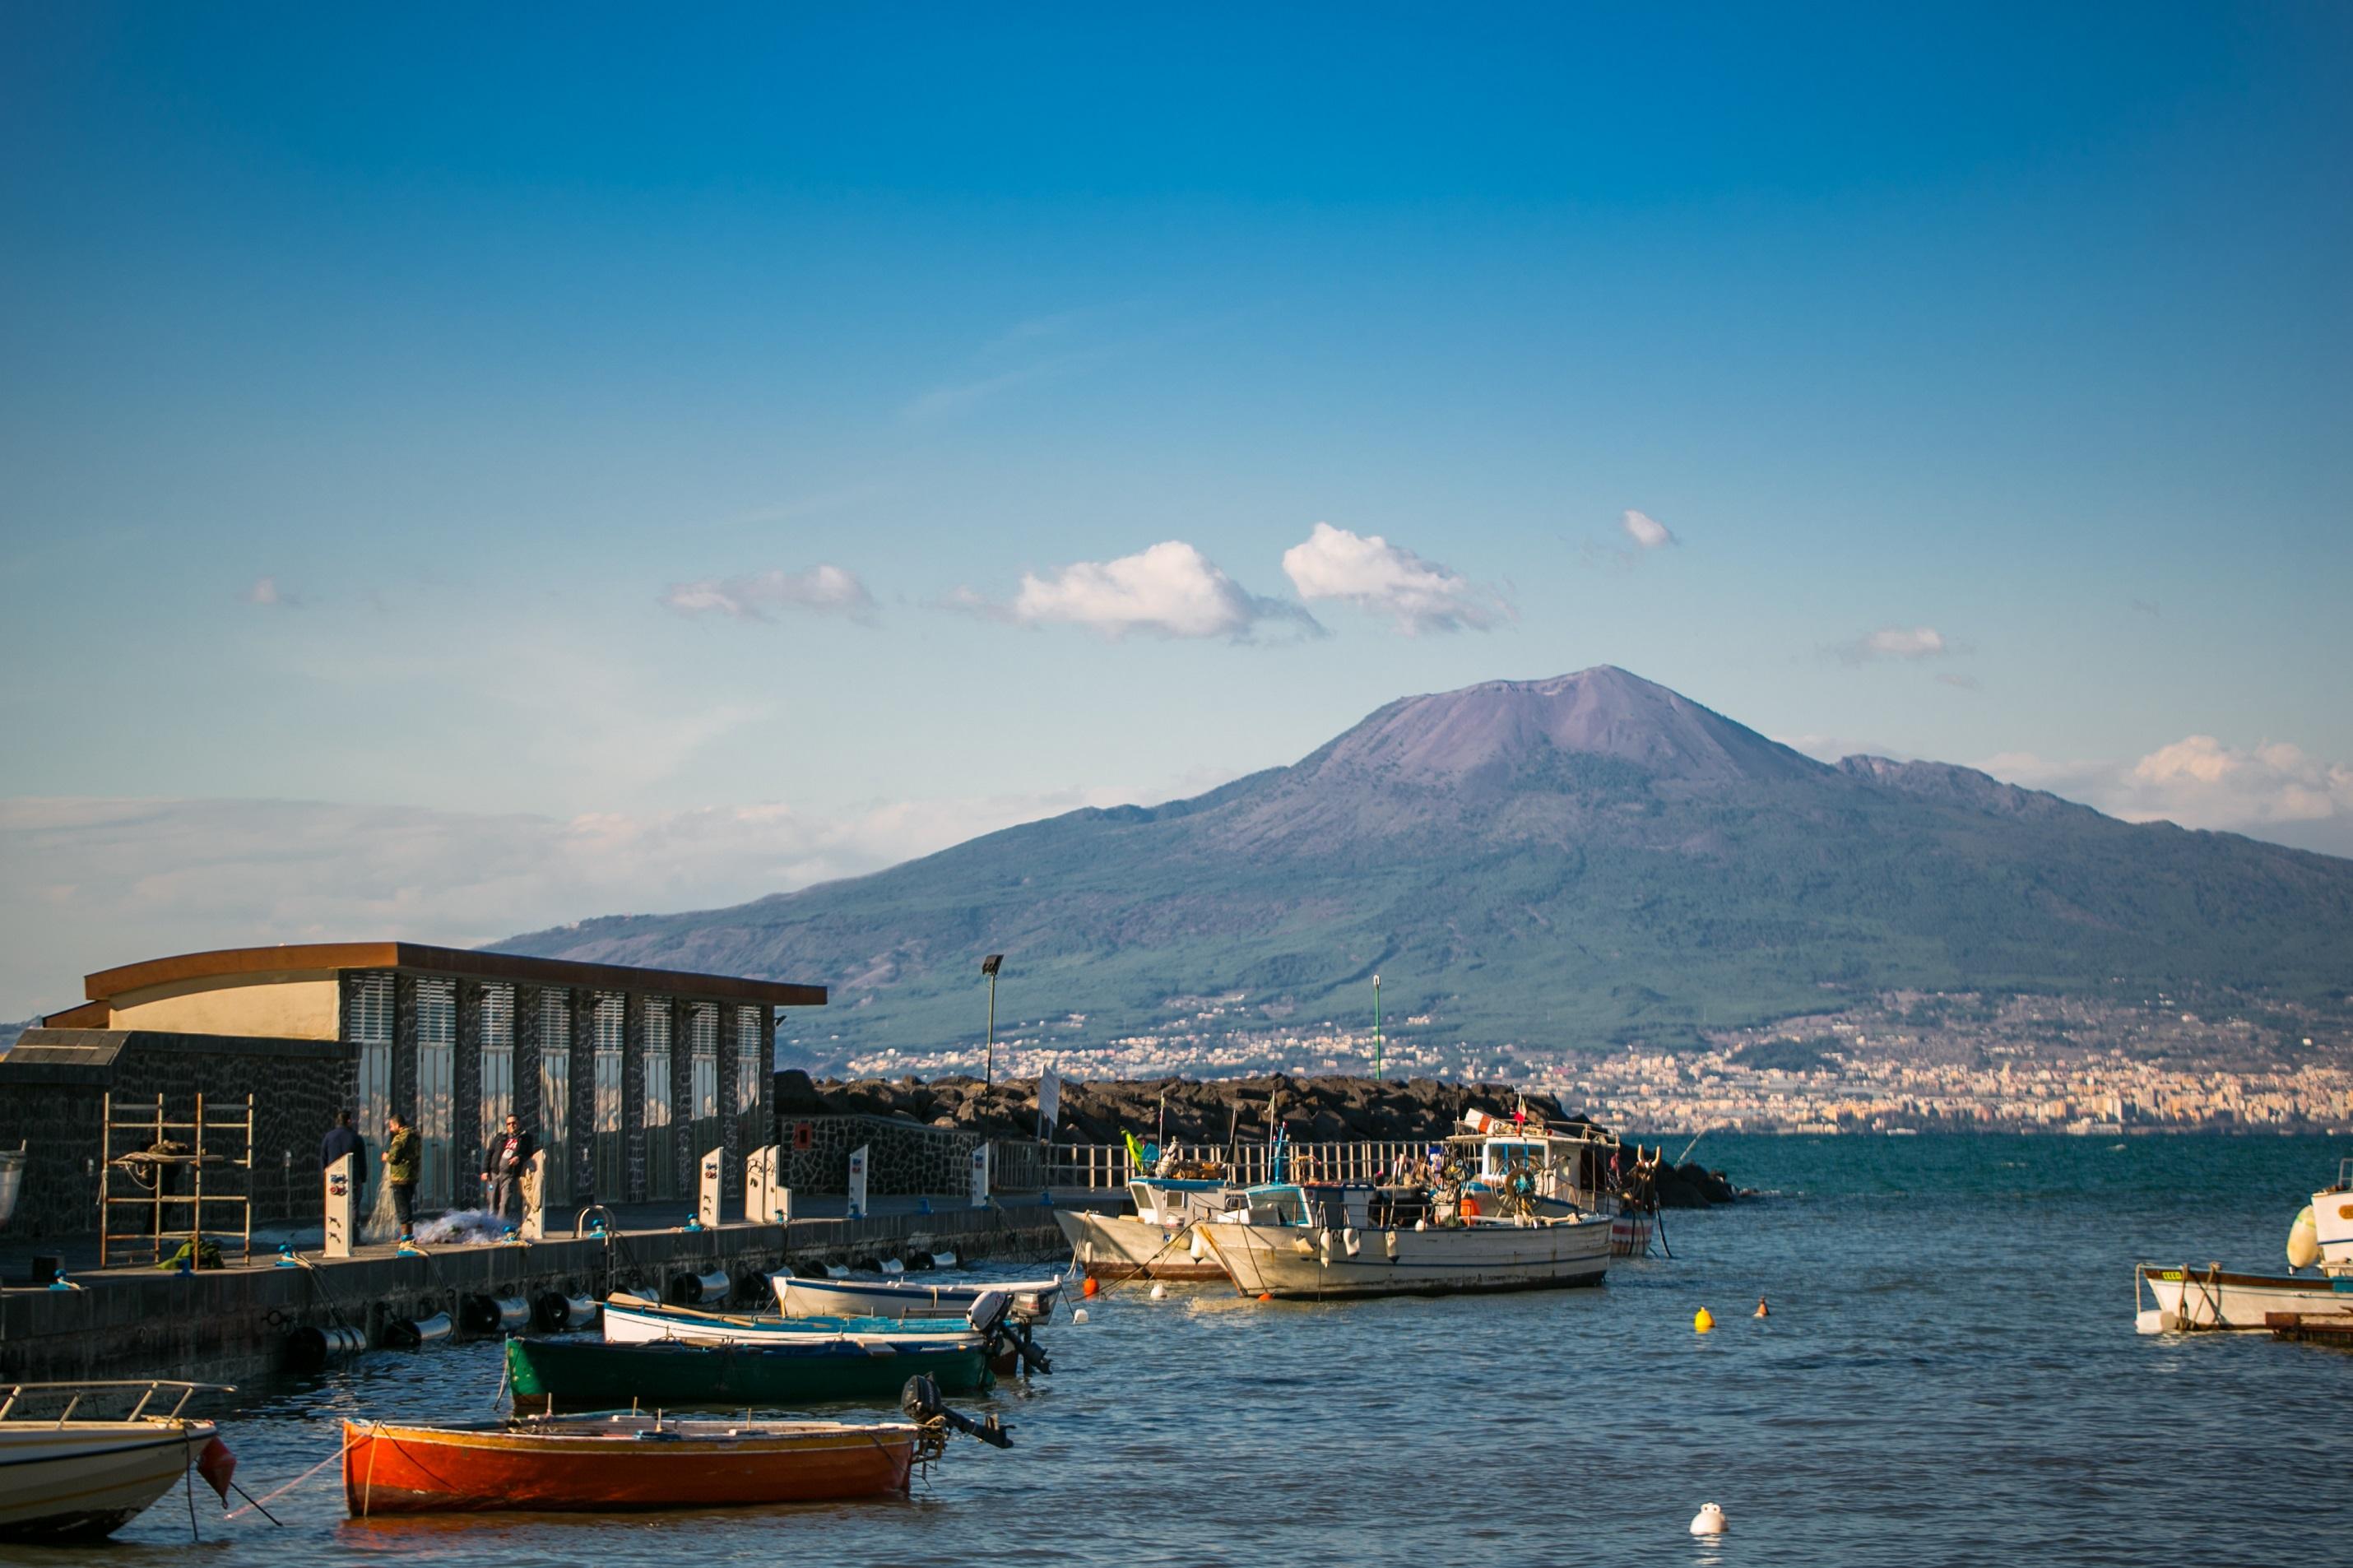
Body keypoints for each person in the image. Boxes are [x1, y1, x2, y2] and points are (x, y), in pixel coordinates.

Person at [481, 1115, 535, 1227]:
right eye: (509, 1124)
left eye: (514, 1123)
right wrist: (485, 1171)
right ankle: (490, 1224)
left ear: (519, 1123)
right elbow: (489, 1153)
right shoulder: (500, 1137)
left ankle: (500, 1225)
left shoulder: (525, 1138)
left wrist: (518, 1158)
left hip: (509, 1174)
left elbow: (529, 1154)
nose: (512, 1126)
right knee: (492, 1200)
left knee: (505, 1201)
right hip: (494, 1174)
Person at [381, 1112, 420, 1241]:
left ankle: (406, 1238)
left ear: (397, 1125)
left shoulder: (400, 1138)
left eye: (391, 1127)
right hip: (412, 1176)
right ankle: (408, 1235)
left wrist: (387, 1156)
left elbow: (394, 1157)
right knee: (407, 1206)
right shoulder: (415, 1135)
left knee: (402, 1208)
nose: (391, 1130)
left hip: (400, 1178)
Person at [320, 1110, 367, 1202]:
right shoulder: (356, 1138)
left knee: (334, 1205)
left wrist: (324, 1175)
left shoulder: (329, 1137)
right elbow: (362, 1160)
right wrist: (363, 1177)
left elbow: (323, 1157)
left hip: (333, 1177)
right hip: (353, 1177)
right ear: (349, 1121)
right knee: (353, 1205)